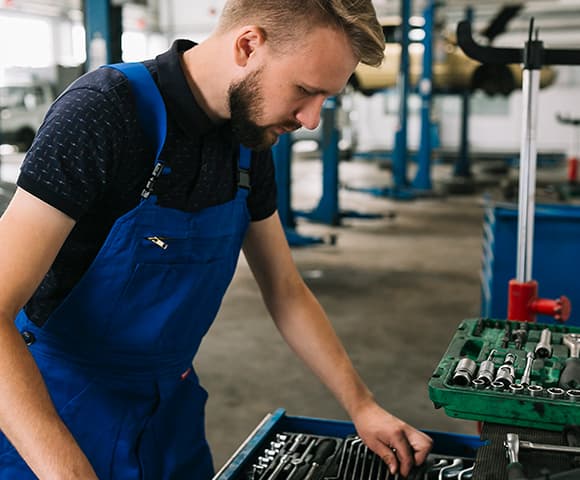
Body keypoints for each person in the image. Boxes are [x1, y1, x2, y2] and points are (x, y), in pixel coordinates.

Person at [0, 0, 433, 478]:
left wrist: (362, 405)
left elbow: (286, 290)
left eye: (326, 98)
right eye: (305, 91)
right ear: (248, 45)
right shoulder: (104, 113)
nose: (311, 119)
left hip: (169, 415)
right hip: (57, 415)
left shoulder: (249, 142)